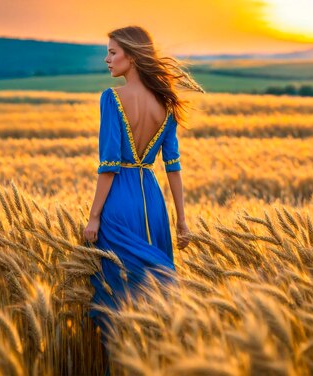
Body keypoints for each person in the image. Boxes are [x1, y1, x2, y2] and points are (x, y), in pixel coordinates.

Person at [82, 25, 204, 373]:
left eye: (112, 52)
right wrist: (181, 220)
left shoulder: (112, 98)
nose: (106, 59)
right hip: (153, 200)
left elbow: (108, 165)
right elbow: (174, 166)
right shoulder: (166, 104)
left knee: (119, 291)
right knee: (155, 291)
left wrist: (93, 217)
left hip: (119, 198)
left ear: (131, 57)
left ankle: (121, 366)